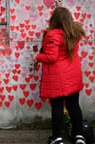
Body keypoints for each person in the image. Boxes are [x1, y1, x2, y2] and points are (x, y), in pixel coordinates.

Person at [33, 3, 86, 144]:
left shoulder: (53, 35)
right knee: (74, 106)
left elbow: (51, 57)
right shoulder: (74, 33)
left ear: (54, 20)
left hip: (58, 79)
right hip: (73, 76)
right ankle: (79, 136)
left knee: (57, 107)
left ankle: (57, 138)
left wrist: (37, 57)